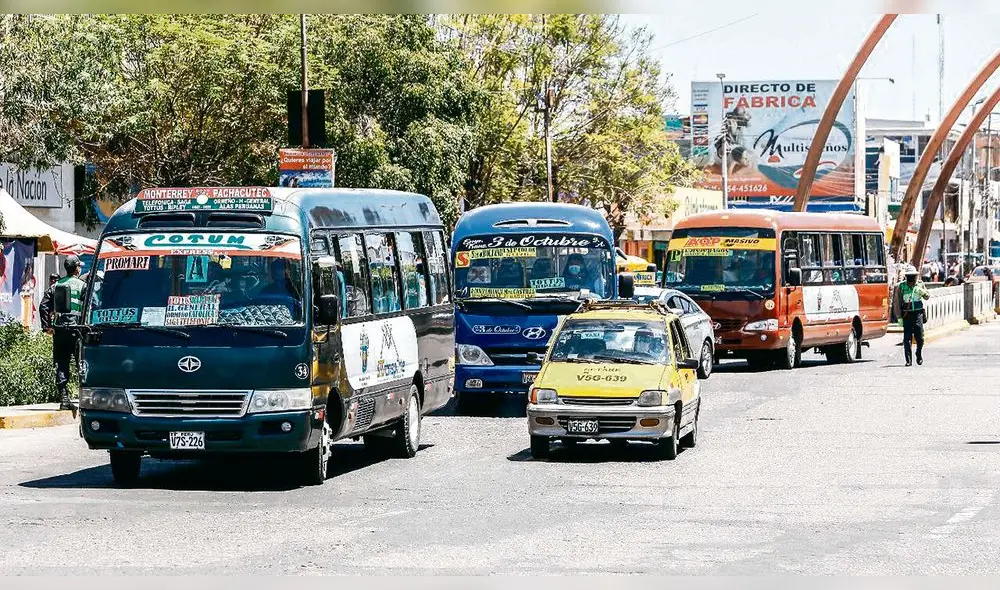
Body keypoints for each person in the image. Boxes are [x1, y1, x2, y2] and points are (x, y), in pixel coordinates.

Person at [53, 256, 86, 410]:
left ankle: (64, 399)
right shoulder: (83, 285)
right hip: (77, 330)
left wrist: (48, 326)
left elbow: (43, 306)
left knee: (61, 363)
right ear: (76, 268)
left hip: (60, 330)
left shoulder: (56, 285)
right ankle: (86, 399)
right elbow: (91, 306)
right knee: (82, 364)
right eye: (79, 266)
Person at [892, 266, 930, 367]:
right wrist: (899, 317)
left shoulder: (920, 284)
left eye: (913, 276)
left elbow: (927, 297)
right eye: (909, 276)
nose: (911, 278)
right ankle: (908, 360)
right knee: (907, 338)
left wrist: (922, 292)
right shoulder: (900, 287)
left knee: (920, 338)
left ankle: (918, 353)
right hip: (907, 314)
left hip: (918, 314)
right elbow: (897, 302)